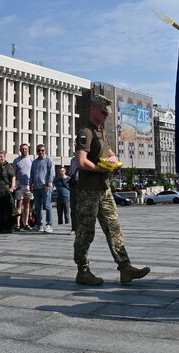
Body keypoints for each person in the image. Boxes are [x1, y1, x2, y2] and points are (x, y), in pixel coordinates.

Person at [73, 94, 150, 285]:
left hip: (104, 189)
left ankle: (125, 268)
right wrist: (99, 168)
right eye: (103, 111)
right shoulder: (86, 132)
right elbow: (81, 162)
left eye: (108, 112)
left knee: (114, 228)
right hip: (88, 191)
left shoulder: (102, 132)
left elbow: (111, 154)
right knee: (86, 232)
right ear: (93, 109)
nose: (106, 114)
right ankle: (82, 271)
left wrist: (113, 161)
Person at [30, 144, 55, 232]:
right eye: (39, 150)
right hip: (36, 187)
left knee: (48, 206)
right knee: (38, 207)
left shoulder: (49, 160)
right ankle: (39, 225)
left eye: (42, 150)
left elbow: (52, 173)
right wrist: (31, 184)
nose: (40, 152)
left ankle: (49, 224)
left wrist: (48, 184)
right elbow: (32, 174)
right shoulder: (35, 162)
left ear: (45, 151)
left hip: (45, 186)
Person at [0, 151, 16, 233]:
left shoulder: (9, 166)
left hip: (6, 192)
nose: (0, 158)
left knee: (6, 211)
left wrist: (12, 187)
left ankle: (7, 228)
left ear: (4, 157)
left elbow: (13, 177)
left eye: (1, 157)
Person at [12, 144, 34, 231]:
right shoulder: (16, 160)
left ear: (28, 149)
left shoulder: (31, 160)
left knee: (27, 205)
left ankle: (26, 223)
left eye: (25, 149)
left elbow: (33, 173)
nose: (24, 150)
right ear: (20, 150)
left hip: (29, 185)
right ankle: (17, 224)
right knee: (19, 204)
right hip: (19, 186)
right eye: (22, 149)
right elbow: (13, 173)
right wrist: (14, 185)